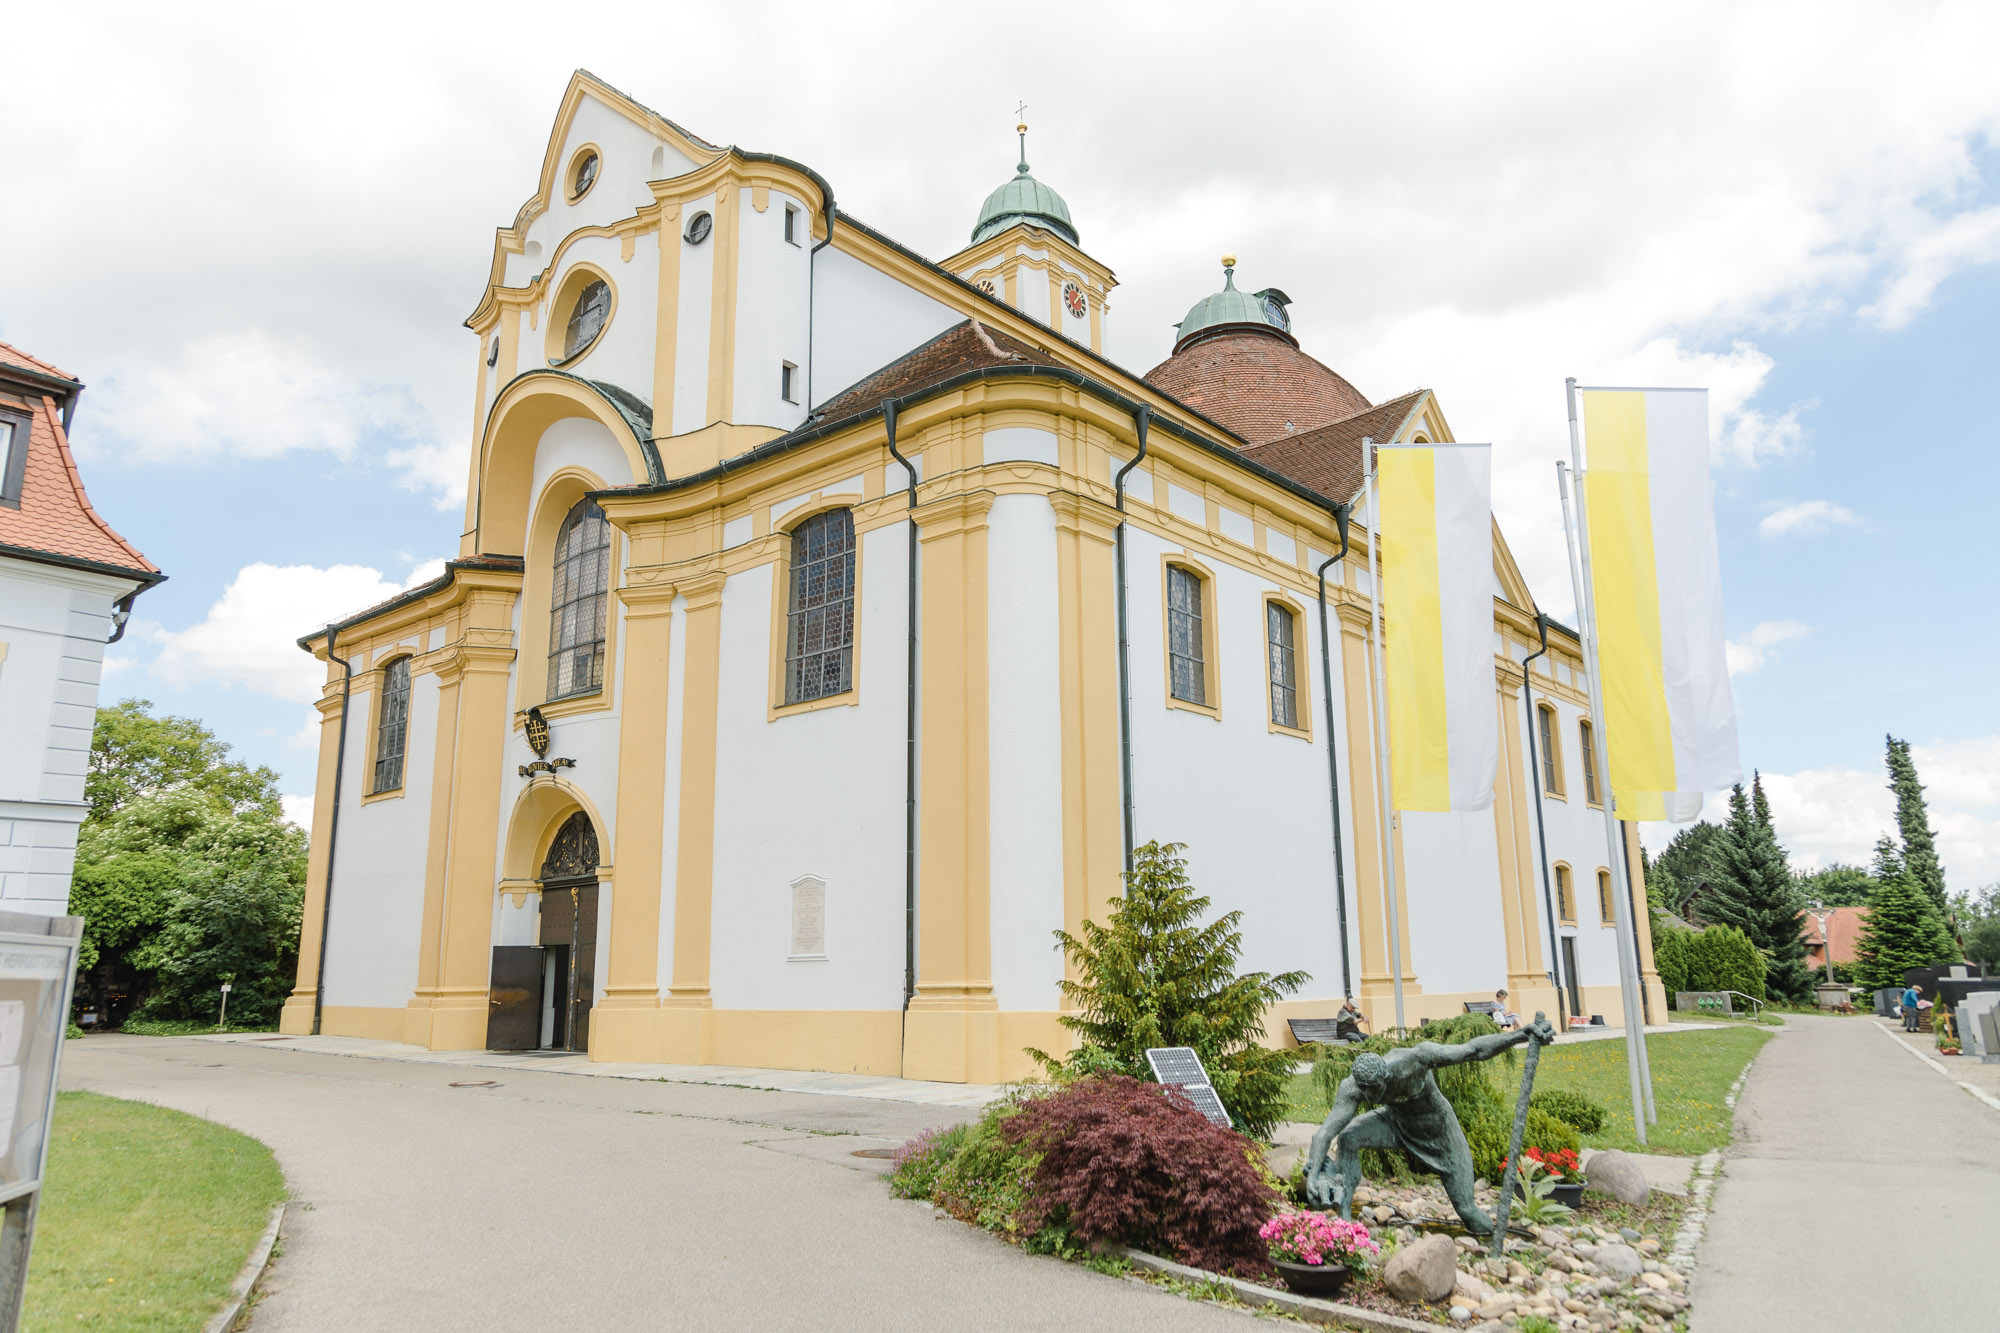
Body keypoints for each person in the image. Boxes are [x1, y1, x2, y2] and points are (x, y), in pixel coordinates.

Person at [1306, 1014, 1559, 1234]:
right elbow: (1324, 1134)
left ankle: (1488, 1237)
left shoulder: (1416, 1060)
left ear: (1385, 1076)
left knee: (1468, 1210)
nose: (1370, 1096)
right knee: (1349, 1138)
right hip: (1395, 1123)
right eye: (1365, 1090)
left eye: (1375, 1089)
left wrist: (1520, 1035)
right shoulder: (1352, 1087)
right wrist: (1313, 1174)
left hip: (1439, 1131)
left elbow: (1473, 1050)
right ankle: (1344, 1218)